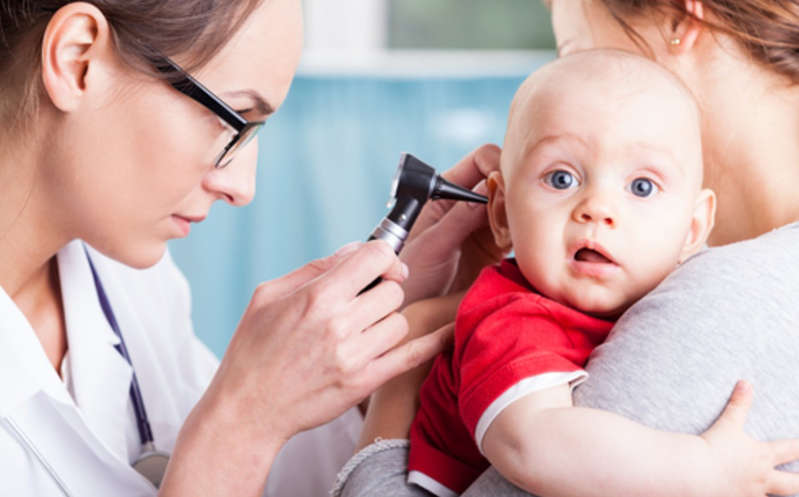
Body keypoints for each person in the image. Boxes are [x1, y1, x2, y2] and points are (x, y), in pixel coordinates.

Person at [0, 1, 503, 496]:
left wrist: (376, 336)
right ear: (77, 59)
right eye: (233, 119)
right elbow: (224, 448)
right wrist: (243, 421)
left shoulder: (130, 282)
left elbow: (261, 476)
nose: (243, 188)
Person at [333, 1, 799, 496]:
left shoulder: (730, 295)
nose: (597, 208)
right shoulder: (517, 319)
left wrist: (399, 383)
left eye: (641, 186)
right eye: (561, 177)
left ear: (692, 226)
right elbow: (533, 445)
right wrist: (701, 466)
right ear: (501, 211)